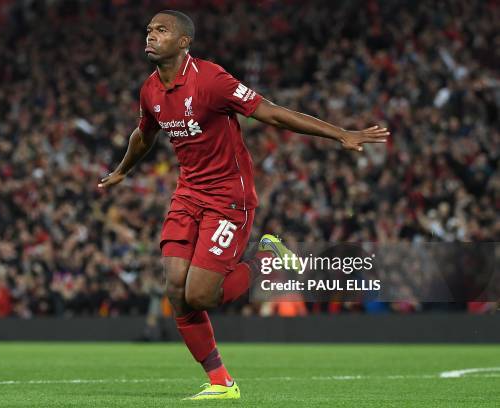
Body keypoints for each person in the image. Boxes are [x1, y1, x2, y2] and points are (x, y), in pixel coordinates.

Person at [98, 10, 389, 400]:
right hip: (188, 195)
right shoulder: (150, 89)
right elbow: (143, 134)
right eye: (149, 29)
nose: (151, 35)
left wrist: (340, 134)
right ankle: (221, 382)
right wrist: (122, 170)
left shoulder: (212, 80)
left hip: (228, 199)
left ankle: (264, 258)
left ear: (184, 42)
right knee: (175, 289)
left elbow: (271, 113)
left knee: (200, 296)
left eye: (162, 30)